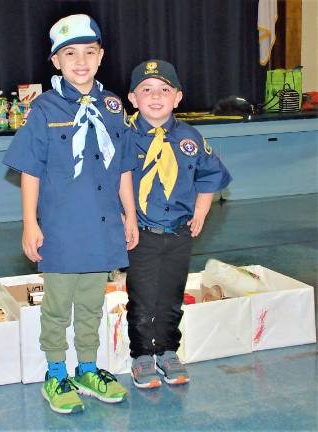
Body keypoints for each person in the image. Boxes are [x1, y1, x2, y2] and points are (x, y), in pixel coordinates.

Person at [3, 14, 139, 414]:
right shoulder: (43, 109)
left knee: (93, 304)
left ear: (101, 57)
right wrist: (30, 223)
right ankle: (56, 372)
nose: (81, 61)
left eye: (89, 52)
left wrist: (129, 215)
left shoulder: (113, 106)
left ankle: (88, 367)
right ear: (56, 61)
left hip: (102, 226)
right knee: (58, 305)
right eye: (70, 53)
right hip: (61, 228)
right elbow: (29, 170)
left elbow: (124, 167)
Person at [123, 59, 232, 389]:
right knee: (142, 297)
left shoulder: (190, 138)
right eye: (146, 90)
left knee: (171, 296)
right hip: (140, 232)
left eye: (164, 90)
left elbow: (211, 176)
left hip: (179, 232)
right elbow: (112, 180)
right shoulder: (124, 137)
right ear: (132, 98)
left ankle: (168, 350)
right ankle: (142, 355)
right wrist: (122, 217)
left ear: (178, 97)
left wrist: (200, 213)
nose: (156, 97)